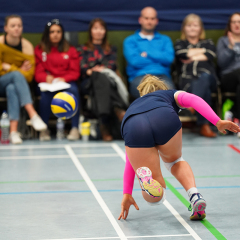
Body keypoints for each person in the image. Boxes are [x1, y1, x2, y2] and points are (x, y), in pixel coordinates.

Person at [118, 75, 239, 221]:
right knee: (175, 161)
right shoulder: (169, 95)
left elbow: (130, 160)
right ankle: (195, 196)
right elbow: (195, 99)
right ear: (162, 89)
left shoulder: (135, 105)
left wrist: (127, 193)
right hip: (163, 116)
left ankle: (147, 182)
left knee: (157, 195)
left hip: (133, 123)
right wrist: (217, 121)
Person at [78, 18, 128, 141]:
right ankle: (117, 108)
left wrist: (97, 69)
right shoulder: (82, 48)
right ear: (90, 31)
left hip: (108, 80)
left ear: (105, 31)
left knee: (102, 80)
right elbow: (83, 66)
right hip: (88, 83)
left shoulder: (111, 49)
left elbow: (111, 65)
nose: (98, 31)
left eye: (101, 28)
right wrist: (94, 71)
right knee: (99, 78)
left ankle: (104, 124)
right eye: (95, 28)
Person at [0, 14, 47, 144]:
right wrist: (18, 69)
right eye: (13, 26)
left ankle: (13, 132)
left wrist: (9, 67)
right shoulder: (0, 43)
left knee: (12, 88)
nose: (16, 28)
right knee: (16, 75)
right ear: (6, 28)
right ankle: (33, 114)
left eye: (19, 26)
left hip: (13, 84)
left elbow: (29, 76)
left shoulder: (27, 46)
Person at [35, 19, 80, 141]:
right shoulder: (40, 50)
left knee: (74, 91)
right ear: (47, 34)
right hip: (48, 84)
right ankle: (44, 129)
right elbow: (38, 71)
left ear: (62, 33)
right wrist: (45, 77)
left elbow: (75, 72)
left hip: (66, 83)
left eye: (58, 31)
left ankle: (75, 128)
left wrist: (64, 79)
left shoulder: (70, 50)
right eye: (52, 32)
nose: (55, 34)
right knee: (44, 96)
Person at [175, 14, 218, 138]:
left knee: (204, 78)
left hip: (209, 78)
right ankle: (204, 126)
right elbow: (181, 54)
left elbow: (210, 54)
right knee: (204, 90)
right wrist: (201, 52)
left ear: (200, 28)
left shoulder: (208, 42)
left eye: (195, 25)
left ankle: (192, 104)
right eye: (189, 26)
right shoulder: (180, 43)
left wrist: (191, 55)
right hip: (188, 81)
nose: (192, 28)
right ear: (184, 29)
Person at [123, 7, 175, 99]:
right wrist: (159, 59)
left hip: (162, 76)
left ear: (156, 21)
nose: (149, 21)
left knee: (169, 96)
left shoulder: (165, 40)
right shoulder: (130, 41)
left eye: (152, 18)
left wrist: (146, 53)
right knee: (148, 96)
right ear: (140, 20)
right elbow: (135, 62)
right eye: (146, 18)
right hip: (139, 77)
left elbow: (168, 59)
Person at [217, 12, 240, 130]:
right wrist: (231, 47)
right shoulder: (223, 41)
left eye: (239, 22)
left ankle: (235, 116)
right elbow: (221, 63)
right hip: (227, 78)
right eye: (234, 22)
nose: (237, 24)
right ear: (229, 25)